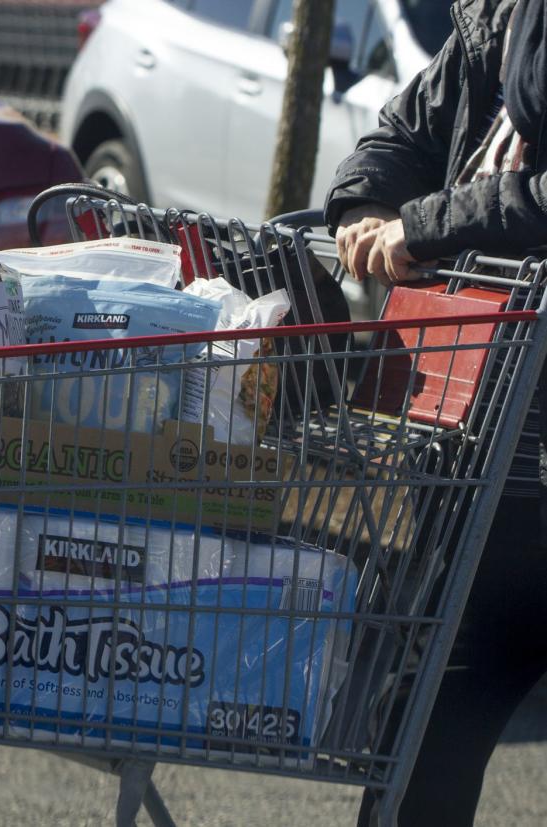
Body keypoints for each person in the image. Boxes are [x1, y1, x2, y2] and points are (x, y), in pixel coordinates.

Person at [324, 0, 547, 824]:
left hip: (514, 440)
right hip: (488, 445)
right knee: (431, 711)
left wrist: (423, 228)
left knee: (443, 696)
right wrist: (363, 211)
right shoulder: (496, 24)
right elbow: (403, 136)